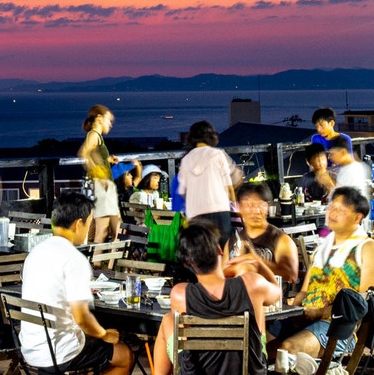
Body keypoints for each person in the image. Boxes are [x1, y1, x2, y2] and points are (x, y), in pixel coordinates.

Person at [16, 191, 132, 375]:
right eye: (89, 223)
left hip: (30, 348)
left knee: (89, 341)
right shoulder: (74, 259)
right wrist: (104, 334)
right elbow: (81, 317)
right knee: (124, 355)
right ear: (79, 223)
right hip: (59, 352)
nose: (88, 229)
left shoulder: (35, 253)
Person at [278, 187, 374, 364]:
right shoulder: (323, 248)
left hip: (339, 328)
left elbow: (363, 302)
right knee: (258, 341)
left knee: (289, 348)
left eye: (341, 210)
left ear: (358, 217)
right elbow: (304, 292)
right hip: (307, 318)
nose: (332, 213)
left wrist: (320, 312)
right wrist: (292, 311)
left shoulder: (368, 249)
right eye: (331, 208)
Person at [153, 220, 270, 375]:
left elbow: (185, 345)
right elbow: (275, 294)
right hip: (250, 367)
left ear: (186, 263)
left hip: (198, 369)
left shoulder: (180, 293)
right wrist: (260, 265)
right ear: (219, 250)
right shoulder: (251, 283)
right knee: (258, 306)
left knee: (168, 321)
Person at [228, 183, 299, 289]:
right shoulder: (232, 241)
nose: (256, 211)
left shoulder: (281, 240)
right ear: (239, 207)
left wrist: (256, 262)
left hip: (271, 302)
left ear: (268, 208)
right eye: (249, 205)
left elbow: (291, 276)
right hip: (238, 301)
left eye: (261, 205)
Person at [179, 122, 241, 237]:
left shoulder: (186, 159)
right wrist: (234, 204)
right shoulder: (217, 154)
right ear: (211, 136)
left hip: (195, 213)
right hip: (219, 210)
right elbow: (229, 186)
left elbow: (182, 191)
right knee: (224, 249)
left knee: (202, 250)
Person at [79, 106, 119, 244]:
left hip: (103, 186)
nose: (110, 124)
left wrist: (107, 160)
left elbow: (93, 156)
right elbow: (83, 153)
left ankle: (105, 263)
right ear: (99, 118)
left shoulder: (97, 137)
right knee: (103, 231)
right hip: (100, 186)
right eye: (109, 120)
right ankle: (97, 264)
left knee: (112, 230)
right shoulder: (94, 135)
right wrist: (99, 175)